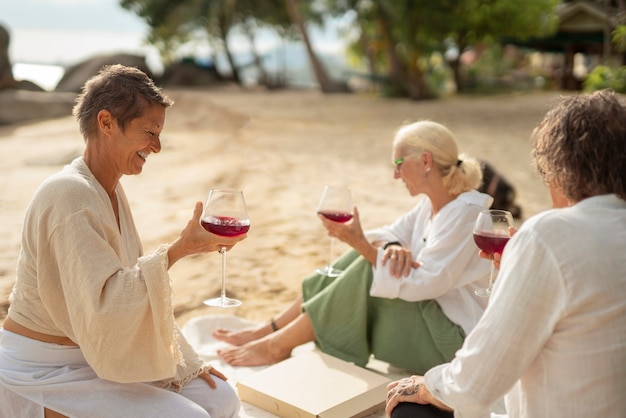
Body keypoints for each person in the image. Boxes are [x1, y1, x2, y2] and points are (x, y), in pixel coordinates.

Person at [0, 65, 246, 418]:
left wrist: (186, 361)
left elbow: (131, 294)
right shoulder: (69, 194)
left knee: (221, 398)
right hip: (43, 369)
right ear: (106, 122)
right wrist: (178, 250)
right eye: (149, 132)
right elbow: (106, 307)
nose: (157, 147)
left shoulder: (110, 191)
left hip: (94, 354)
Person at [385, 89, 626, 418]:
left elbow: (474, 386)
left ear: (561, 172)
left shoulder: (549, 236)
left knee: (409, 407)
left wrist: (426, 385)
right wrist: (516, 268)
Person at [214, 120, 492, 376]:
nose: (396, 174)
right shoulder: (432, 205)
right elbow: (387, 234)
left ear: (426, 161)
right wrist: (391, 246)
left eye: (398, 162)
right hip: (430, 318)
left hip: (453, 341)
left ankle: (276, 344)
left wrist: (363, 245)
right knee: (364, 260)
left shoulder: (464, 213)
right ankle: (269, 332)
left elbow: (426, 284)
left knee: (366, 267)